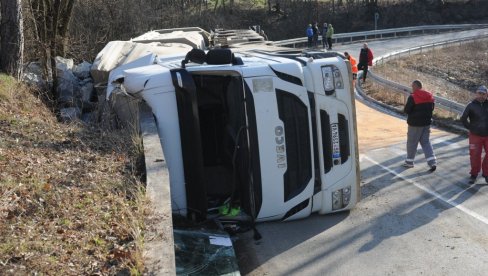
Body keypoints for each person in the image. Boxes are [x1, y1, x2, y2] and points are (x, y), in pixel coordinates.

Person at [403, 80, 437, 172]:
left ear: (416, 86)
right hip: (426, 124)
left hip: (415, 124)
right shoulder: (429, 96)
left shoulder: (413, 97)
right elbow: (432, 108)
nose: (412, 88)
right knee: (426, 142)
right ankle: (432, 162)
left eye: (412, 86)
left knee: (412, 142)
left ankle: (409, 162)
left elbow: (407, 110)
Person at [460, 85, 488, 184]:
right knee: (475, 155)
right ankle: (474, 174)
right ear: (476, 94)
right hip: (475, 135)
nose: (481, 95)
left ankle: (486, 174)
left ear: (486, 95)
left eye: (483, 94)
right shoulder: (471, 105)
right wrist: (471, 128)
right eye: (479, 93)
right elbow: (463, 118)